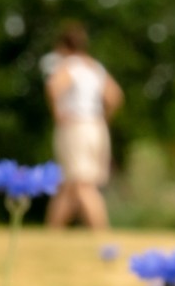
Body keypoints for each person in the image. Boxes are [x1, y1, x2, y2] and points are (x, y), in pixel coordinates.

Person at [44, 22, 123, 231]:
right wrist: (103, 118)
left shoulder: (69, 65)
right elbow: (115, 96)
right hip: (96, 126)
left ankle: (102, 235)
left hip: (75, 126)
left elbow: (53, 87)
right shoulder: (94, 67)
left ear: (63, 46)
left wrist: (57, 112)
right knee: (69, 185)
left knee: (82, 184)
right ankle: (50, 234)